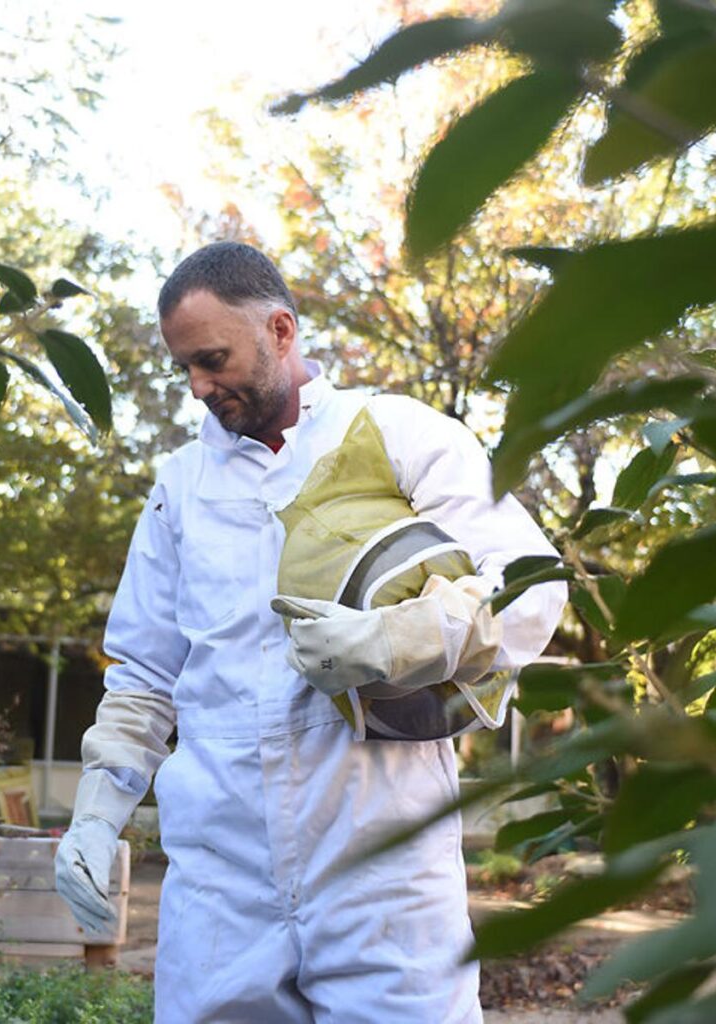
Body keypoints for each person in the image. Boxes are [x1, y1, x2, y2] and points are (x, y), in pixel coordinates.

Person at [55, 242, 566, 1023]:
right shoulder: (180, 491)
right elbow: (143, 675)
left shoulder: (395, 433)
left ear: (282, 330)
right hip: (221, 885)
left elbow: (531, 585)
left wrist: (397, 639)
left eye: (214, 359)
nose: (199, 386)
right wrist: (96, 810)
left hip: (382, 873)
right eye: (185, 367)